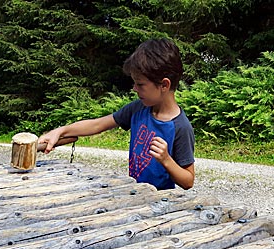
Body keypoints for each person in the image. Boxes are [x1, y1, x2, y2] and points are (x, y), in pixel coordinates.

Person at [38, 38, 195, 190]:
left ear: (164, 85)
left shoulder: (181, 127)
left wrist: (166, 160)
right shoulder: (138, 108)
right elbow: (98, 124)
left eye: (140, 84)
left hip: (160, 204)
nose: (134, 88)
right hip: (134, 194)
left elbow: (188, 181)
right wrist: (60, 131)